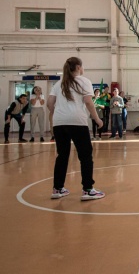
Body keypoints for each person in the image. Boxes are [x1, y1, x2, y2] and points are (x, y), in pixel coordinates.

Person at [47, 56, 105, 200]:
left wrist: (57, 115)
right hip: (77, 122)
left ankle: (57, 189)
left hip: (59, 123)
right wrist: (97, 119)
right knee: (85, 156)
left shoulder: (59, 83)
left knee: (62, 155)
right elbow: (88, 102)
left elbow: (49, 104)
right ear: (78, 67)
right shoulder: (84, 81)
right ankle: (88, 189)